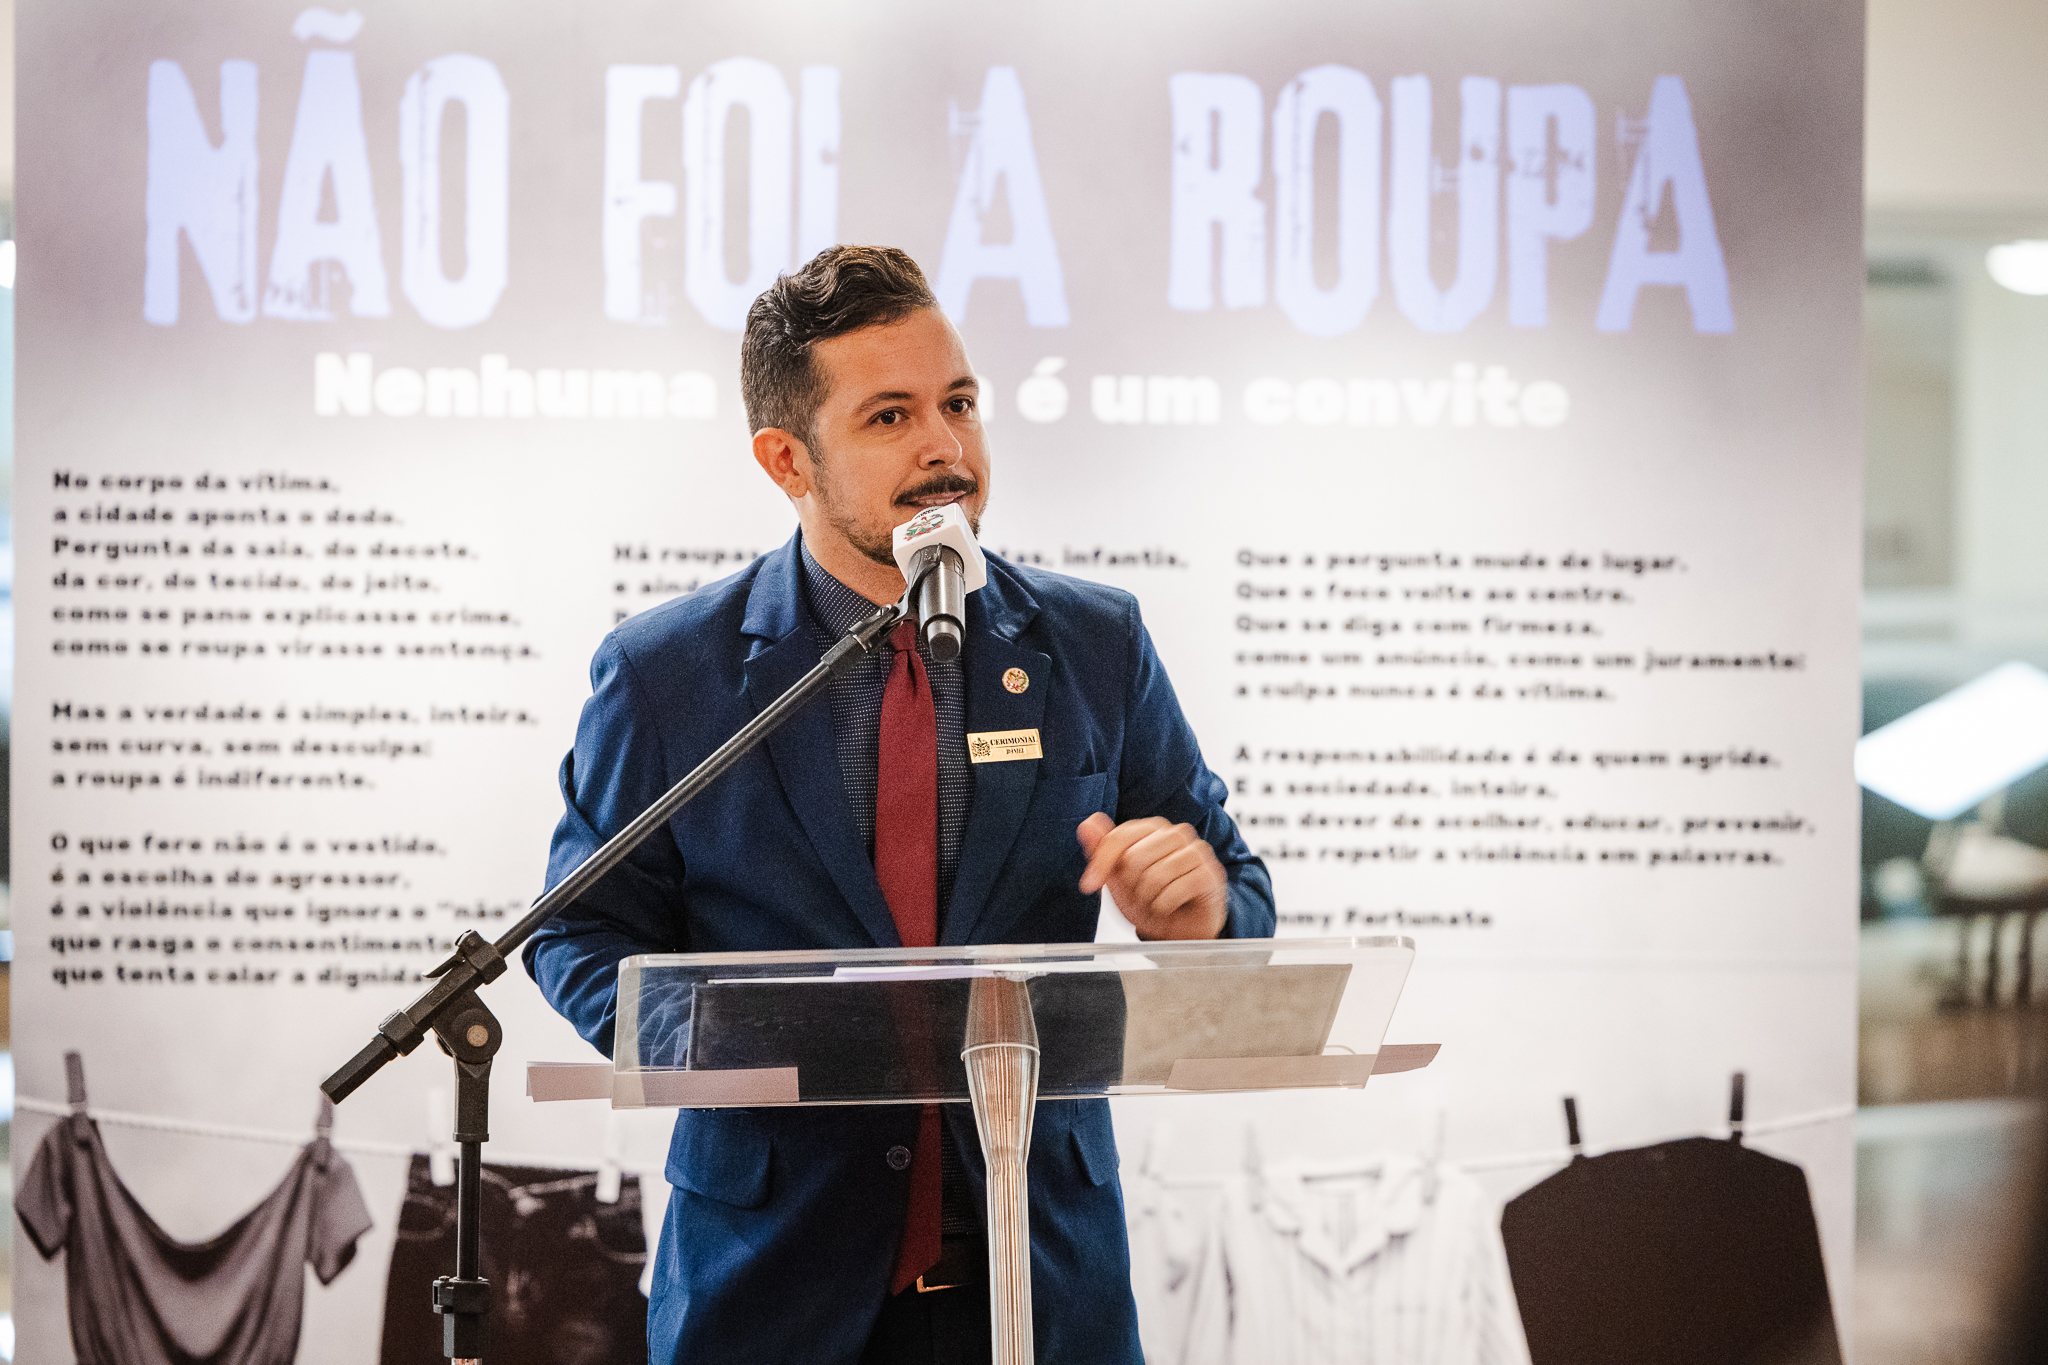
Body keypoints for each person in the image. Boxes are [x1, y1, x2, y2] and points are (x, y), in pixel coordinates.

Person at [525, 245, 1274, 1365]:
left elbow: (1234, 891)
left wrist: (1201, 914)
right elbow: (577, 929)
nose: (945, 449)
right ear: (787, 458)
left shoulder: (1093, 642)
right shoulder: (666, 673)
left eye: (958, 403)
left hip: (1038, 1284)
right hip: (771, 1291)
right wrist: (730, 1042)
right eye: (890, 417)